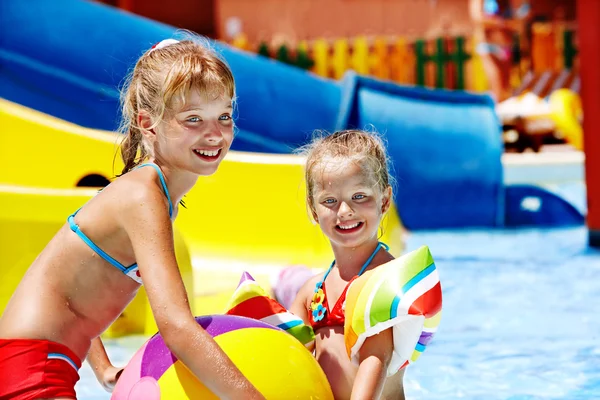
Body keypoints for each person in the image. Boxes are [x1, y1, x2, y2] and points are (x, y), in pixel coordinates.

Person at [0, 36, 264, 400]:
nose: (215, 133)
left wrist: (104, 368)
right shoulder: (143, 195)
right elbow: (177, 329)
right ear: (148, 123)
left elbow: (69, 291)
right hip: (31, 370)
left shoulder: (146, 192)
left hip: (33, 362)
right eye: (193, 120)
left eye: (224, 116)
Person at [290, 129, 404, 400]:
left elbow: (375, 358)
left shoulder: (386, 281)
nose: (345, 211)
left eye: (360, 196)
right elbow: (287, 352)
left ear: (385, 201)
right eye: (330, 201)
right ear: (313, 209)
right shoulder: (311, 292)